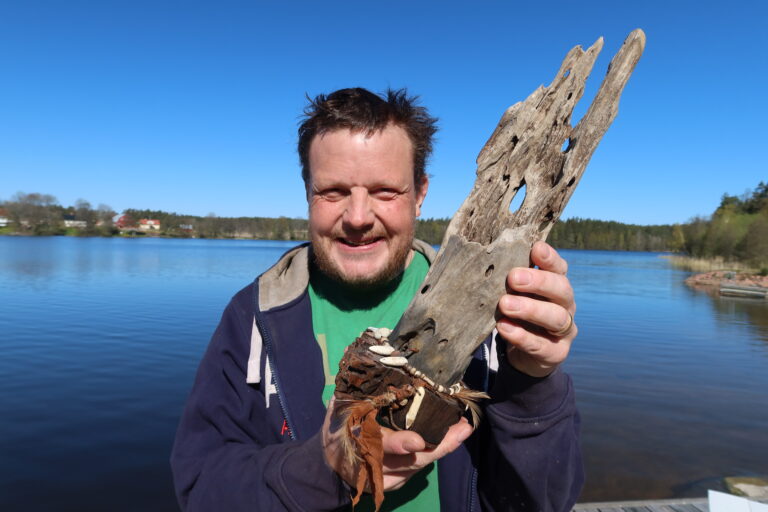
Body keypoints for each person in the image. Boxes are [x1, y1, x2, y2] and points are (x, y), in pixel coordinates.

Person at [170, 88, 584, 511]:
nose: (357, 217)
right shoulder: (255, 317)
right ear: (308, 193)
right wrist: (323, 469)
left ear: (420, 193)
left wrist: (533, 382)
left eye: (385, 191)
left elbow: (544, 502)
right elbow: (200, 487)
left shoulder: (494, 314)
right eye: (333, 191)